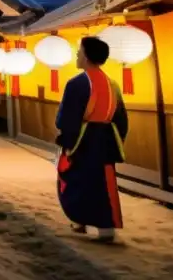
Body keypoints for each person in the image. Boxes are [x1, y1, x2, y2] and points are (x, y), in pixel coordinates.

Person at [56, 36, 129, 243]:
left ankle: (80, 220)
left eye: (80, 52)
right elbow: (122, 119)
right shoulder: (112, 84)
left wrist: (66, 141)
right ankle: (106, 227)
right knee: (104, 183)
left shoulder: (77, 84)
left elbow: (67, 118)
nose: (77, 55)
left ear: (86, 56)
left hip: (82, 139)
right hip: (105, 139)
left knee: (75, 180)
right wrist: (116, 141)